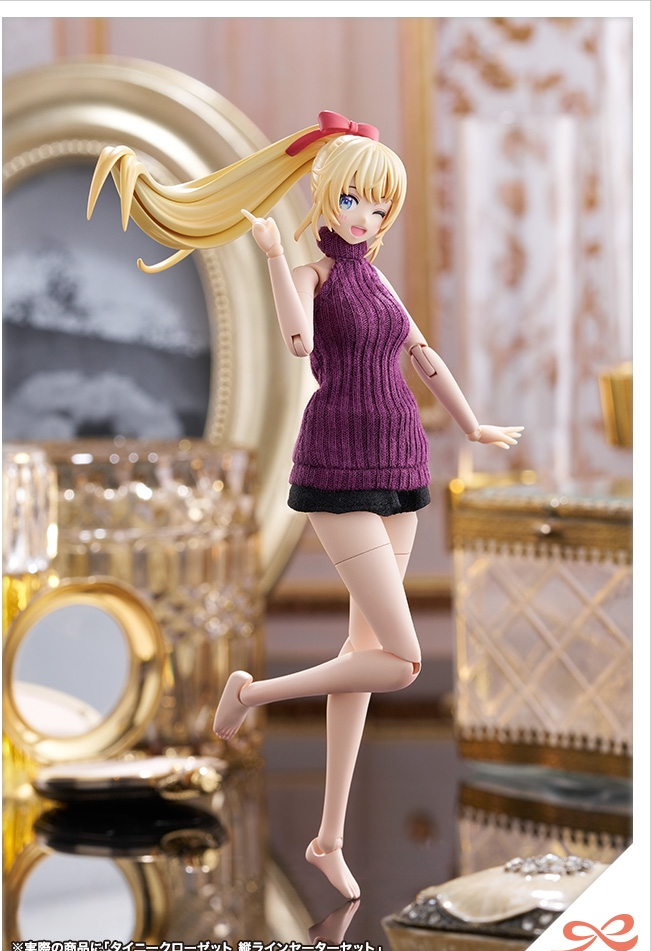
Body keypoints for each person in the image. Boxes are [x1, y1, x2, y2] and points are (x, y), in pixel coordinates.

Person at [89, 112, 522, 899]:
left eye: (380, 207)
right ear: (325, 195)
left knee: (361, 657)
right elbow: (299, 345)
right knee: (401, 662)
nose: (366, 217)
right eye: (354, 199)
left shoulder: (377, 278)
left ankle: (327, 840)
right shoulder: (310, 273)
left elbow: (422, 355)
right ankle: (252, 694)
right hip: (338, 464)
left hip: (401, 463)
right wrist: (269, 259)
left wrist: (472, 425)